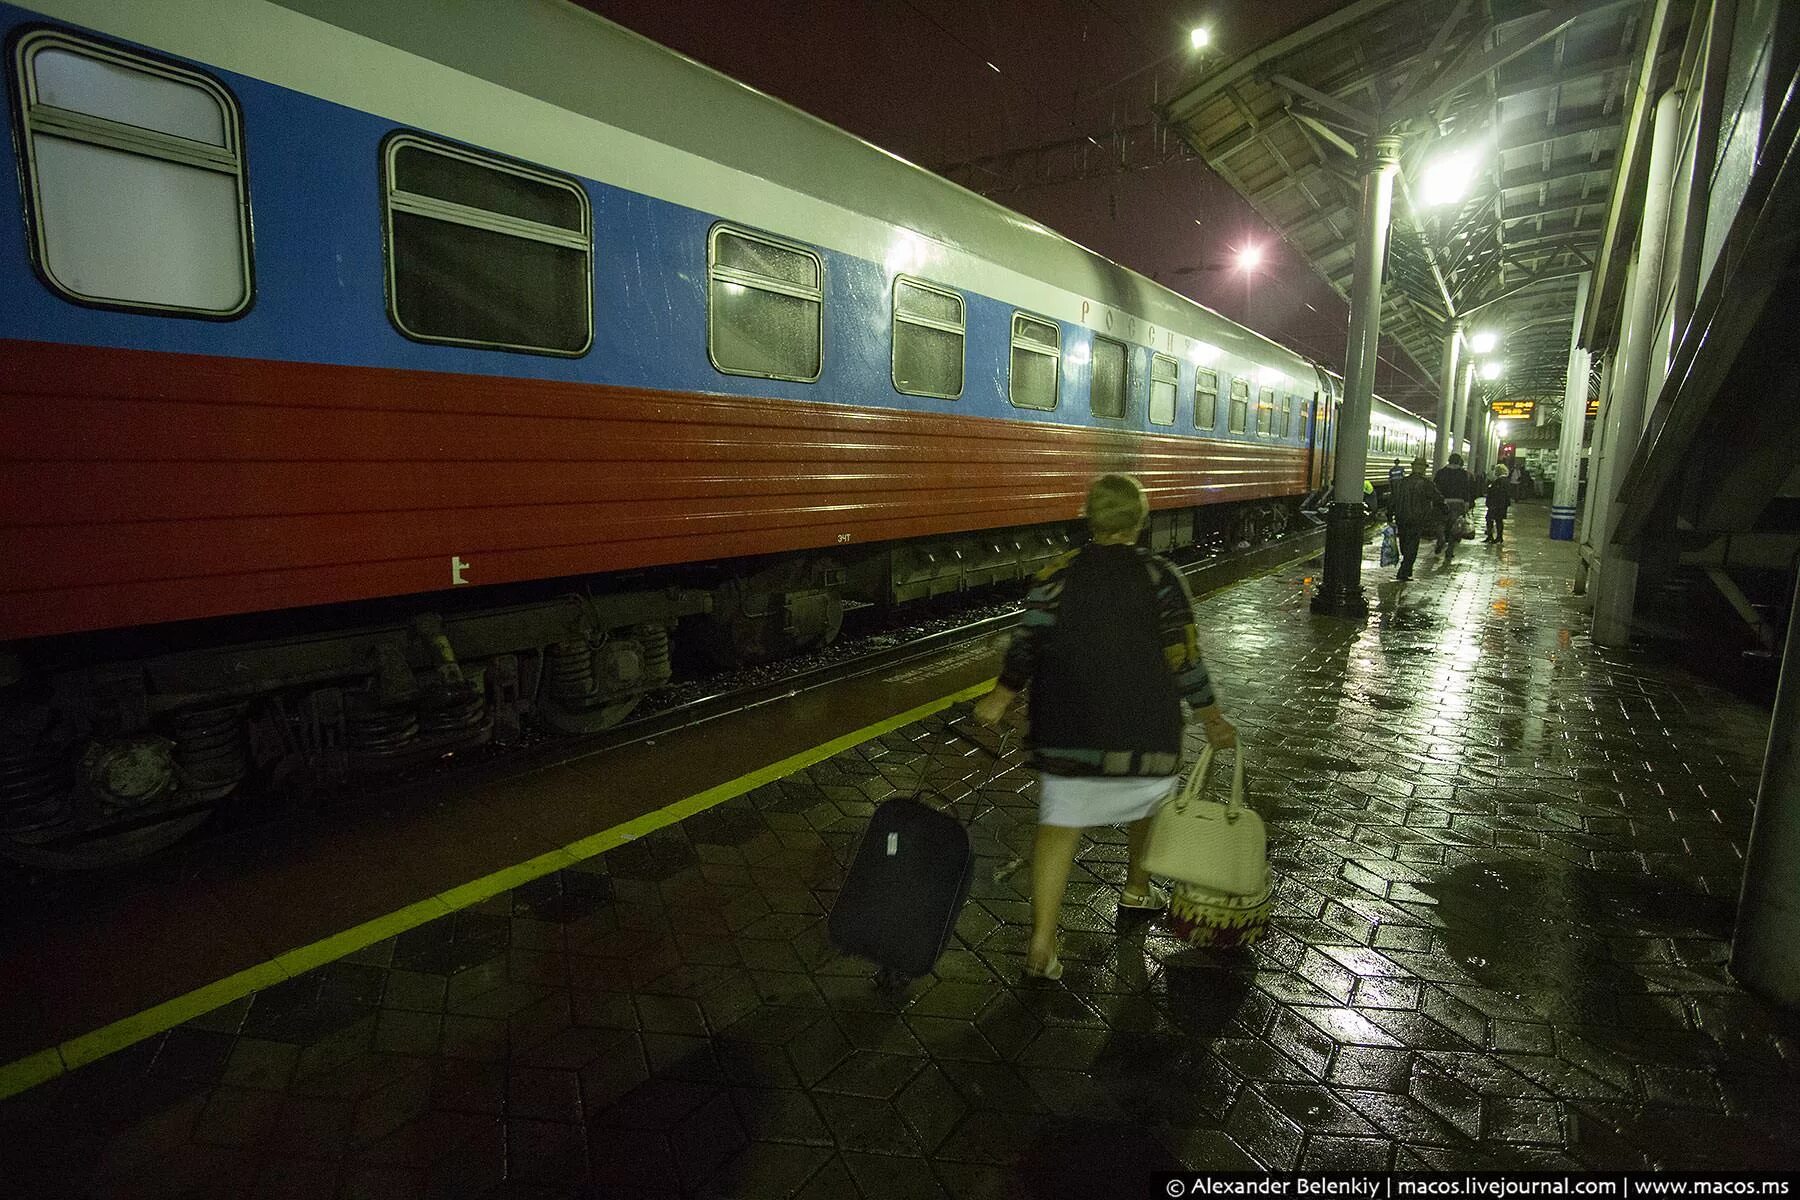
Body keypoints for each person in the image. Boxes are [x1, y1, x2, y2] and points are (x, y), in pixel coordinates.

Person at [973, 473, 1236, 981]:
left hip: (1069, 723)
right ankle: (1137, 887)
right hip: (1143, 728)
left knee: (1059, 825)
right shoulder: (1162, 577)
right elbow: (1184, 658)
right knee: (1150, 805)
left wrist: (1002, 696)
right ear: (1140, 519)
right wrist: (1211, 716)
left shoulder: (1057, 573)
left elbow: (1028, 642)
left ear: (1090, 517)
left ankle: (1042, 942)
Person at [1390, 456, 1444, 582]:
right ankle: (1404, 571)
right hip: (1417, 519)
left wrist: (1389, 514)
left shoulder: (1402, 482)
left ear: (1413, 467)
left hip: (1401, 517)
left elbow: (1393, 499)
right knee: (1412, 545)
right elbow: (1437, 498)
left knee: (1404, 543)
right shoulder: (1426, 483)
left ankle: (1406, 569)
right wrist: (1443, 508)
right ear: (1424, 469)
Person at [1432, 453, 1475, 562]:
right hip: (1458, 502)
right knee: (1455, 528)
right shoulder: (1464, 474)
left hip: (1443, 501)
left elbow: (1435, 488)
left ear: (1449, 460)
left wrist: (1435, 501)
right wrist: (1467, 503)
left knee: (1440, 522)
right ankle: (1450, 551)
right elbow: (1467, 490)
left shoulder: (1441, 472)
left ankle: (1441, 538)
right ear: (1459, 461)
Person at [1485, 463, 1513, 542]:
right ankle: (1499, 536)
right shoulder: (1506, 481)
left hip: (1496, 504)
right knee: (1499, 520)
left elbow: (1495, 492)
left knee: (1489, 519)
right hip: (1502, 504)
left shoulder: (1499, 481)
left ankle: (1490, 536)